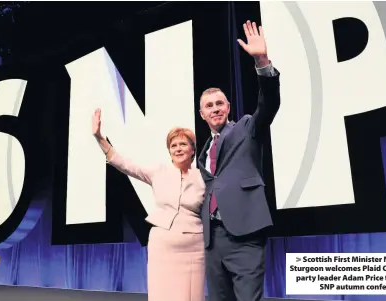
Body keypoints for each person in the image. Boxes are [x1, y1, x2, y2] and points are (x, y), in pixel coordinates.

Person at [197, 20, 281, 301]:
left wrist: (262, 62)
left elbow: (268, 104)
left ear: (228, 107)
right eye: (209, 106)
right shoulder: (203, 152)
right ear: (202, 114)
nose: (215, 109)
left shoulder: (247, 127)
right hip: (213, 241)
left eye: (220, 103)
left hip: (244, 235)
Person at [92, 108, 206, 301]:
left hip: (194, 248)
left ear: (193, 149)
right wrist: (99, 137)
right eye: (173, 145)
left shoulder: (204, 177)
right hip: (162, 246)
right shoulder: (158, 172)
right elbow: (125, 164)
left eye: (183, 144)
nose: (178, 148)